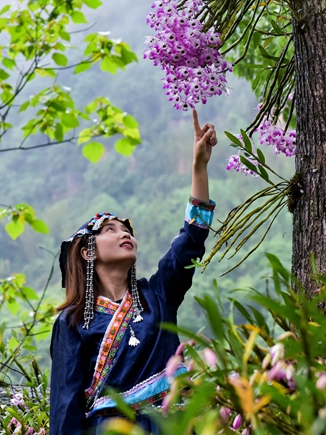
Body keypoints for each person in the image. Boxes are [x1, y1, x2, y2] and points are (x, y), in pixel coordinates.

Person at [49, 110, 218, 435]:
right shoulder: (72, 321)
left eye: (127, 229)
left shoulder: (158, 295)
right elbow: (66, 404)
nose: (125, 233)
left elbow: (191, 240)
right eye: (110, 230)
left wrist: (199, 167)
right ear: (88, 251)